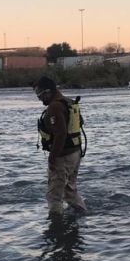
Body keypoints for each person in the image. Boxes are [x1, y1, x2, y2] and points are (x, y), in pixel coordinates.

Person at [34, 76, 87, 214]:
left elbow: (61, 134)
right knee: (70, 191)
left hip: (63, 156)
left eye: (40, 96)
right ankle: (82, 214)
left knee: (54, 196)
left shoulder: (55, 106)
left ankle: (56, 228)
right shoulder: (69, 102)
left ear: (48, 92)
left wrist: (52, 158)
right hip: (75, 153)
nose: (40, 100)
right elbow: (79, 124)